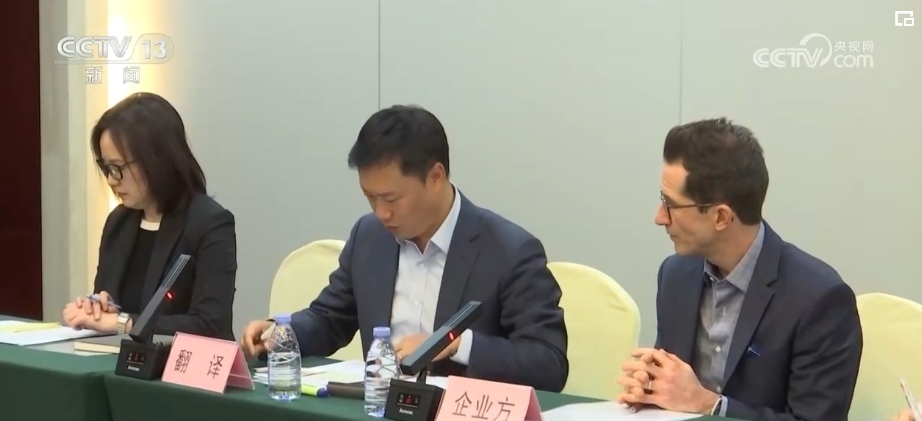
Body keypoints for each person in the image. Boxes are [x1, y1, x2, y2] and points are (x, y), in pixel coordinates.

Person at [241, 105, 569, 392]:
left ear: (435, 177)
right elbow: (330, 319)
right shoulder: (370, 237)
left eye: (391, 199)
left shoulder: (509, 250)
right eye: (370, 198)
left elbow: (548, 364)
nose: (381, 213)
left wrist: (457, 344)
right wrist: (283, 333)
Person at [616, 118, 862, 419]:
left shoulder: (819, 299)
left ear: (721, 217)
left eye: (671, 205)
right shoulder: (675, 275)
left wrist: (712, 406)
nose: (659, 217)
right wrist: (652, 389)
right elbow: (674, 391)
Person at [61, 92, 237, 341]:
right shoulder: (119, 222)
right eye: (106, 168)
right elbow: (111, 306)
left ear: (156, 159)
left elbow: (209, 325)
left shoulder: (209, 223)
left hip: (179, 363)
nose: (110, 180)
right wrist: (97, 310)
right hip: (120, 358)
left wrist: (121, 323)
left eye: (117, 168)